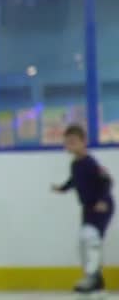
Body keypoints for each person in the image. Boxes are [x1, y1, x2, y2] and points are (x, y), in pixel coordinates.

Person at [52, 124, 114, 296]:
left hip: (102, 206)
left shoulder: (90, 162)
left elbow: (107, 181)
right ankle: (98, 284)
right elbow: (74, 180)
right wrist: (62, 188)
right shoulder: (75, 164)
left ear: (83, 142)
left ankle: (91, 278)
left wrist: (102, 200)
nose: (70, 146)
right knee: (84, 242)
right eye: (67, 143)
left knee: (90, 237)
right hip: (88, 208)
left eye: (73, 142)